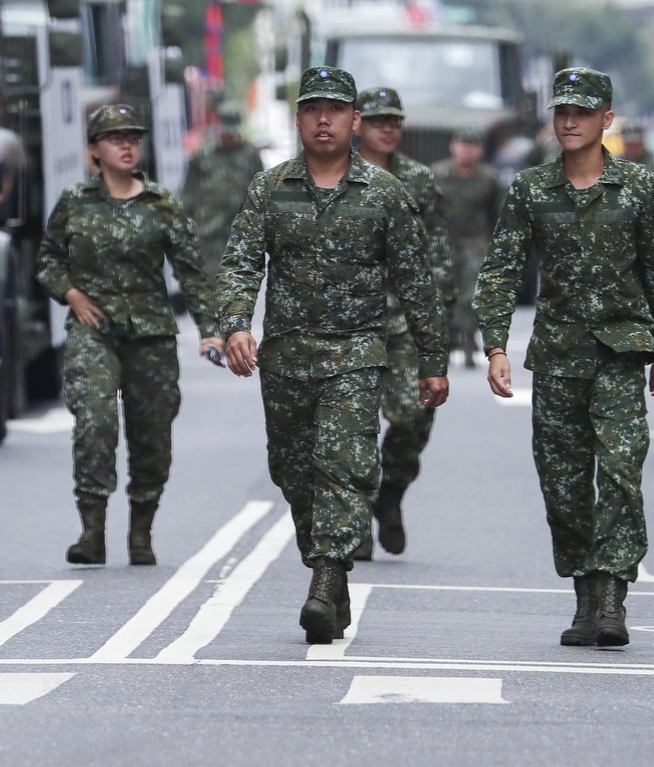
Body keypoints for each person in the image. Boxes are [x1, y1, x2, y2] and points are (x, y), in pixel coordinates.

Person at [217, 66, 450, 644]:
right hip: (286, 357)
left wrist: (432, 361)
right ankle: (329, 567)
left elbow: (417, 281)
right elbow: (241, 262)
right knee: (294, 471)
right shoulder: (270, 188)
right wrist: (235, 325)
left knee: (343, 466)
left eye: (336, 110)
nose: (324, 120)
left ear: (354, 120)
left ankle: (326, 579)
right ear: (298, 119)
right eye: (313, 109)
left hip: (356, 353)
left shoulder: (385, 192)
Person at [472, 67, 654, 648]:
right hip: (558, 357)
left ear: (605, 119)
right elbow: (501, 270)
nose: (569, 122)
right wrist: (496, 346)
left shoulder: (637, 186)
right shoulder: (532, 189)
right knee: (563, 485)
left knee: (619, 471)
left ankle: (612, 596)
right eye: (562, 112)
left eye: (582, 113)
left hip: (619, 354)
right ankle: (585, 595)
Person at [37, 104, 224, 567]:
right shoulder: (75, 201)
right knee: (95, 422)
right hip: (94, 331)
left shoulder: (162, 203)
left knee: (152, 435)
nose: (126, 146)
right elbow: (48, 259)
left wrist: (210, 331)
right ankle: (92, 531)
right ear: (93, 150)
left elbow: (192, 272)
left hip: (151, 335)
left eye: (133, 138)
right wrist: (71, 294)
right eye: (115, 138)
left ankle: (141, 530)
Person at [352, 86, 456, 560]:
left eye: (394, 121)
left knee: (415, 417)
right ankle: (354, 520)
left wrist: (440, 315)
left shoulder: (418, 179)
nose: (388, 129)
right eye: (379, 121)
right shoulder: (336, 174)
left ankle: (390, 490)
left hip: (408, 321)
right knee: (349, 425)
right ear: (359, 124)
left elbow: (438, 249)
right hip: (351, 320)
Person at [432, 127, 504, 367]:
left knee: (471, 297)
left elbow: (497, 214)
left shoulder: (489, 178)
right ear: (453, 146)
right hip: (443, 245)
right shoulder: (437, 174)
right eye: (463, 144)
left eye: (472, 145)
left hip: (475, 244)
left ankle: (469, 340)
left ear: (480, 149)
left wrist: (495, 247)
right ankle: (446, 340)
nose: (467, 150)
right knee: (442, 296)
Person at [181, 101, 264, 281]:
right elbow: (189, 192)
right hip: (209, 233)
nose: (230, 136)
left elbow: (261, 192)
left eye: (233, 131)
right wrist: (184, 225)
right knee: (210, 283)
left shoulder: (250, 154)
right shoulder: (203, 154)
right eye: (226, 131)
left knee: (239, 284)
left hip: (241, 234)